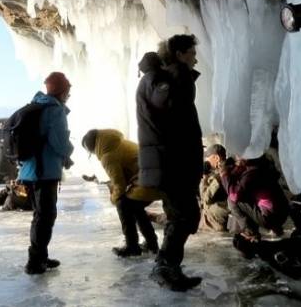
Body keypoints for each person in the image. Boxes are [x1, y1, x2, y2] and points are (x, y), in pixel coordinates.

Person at [136, 35, 204, 291]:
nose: (194, 59)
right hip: (170, 162)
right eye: (191, 53)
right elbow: (168, 105)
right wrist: (181, 76)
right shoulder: (164, 79)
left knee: (182, 215)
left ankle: (167, 266)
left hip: (169, 160)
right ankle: (165, 267)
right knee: (184, 216)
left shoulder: (162, 78)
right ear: (178, 54)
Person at [18, 71, 74, 275]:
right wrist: (69, 151)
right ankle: (34, 262)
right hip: (45, 172)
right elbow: (59, 142)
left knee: (40, 216)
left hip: (30, 171)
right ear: (62, 91)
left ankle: (40, 256)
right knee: (45, 217)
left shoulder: (38, 105)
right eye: (68, 90)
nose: (68, 94)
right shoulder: (54, 110)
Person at [81, 129, 159, 257]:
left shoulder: (107, 156)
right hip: (154, 178)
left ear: (92, 148)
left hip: (149, 182)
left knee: (122, 203)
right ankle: (151, 243)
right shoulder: (118, 143)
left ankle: (132, 245)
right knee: (135, 206)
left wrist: (113, 198)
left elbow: (120, 185)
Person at [221, 155, 289, 240]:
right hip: (282, 213)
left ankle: (250, 233)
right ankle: (276, 228)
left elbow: (234, 195)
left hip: (270, 217)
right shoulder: (264, 166)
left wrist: (224, 175)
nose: (237, 160)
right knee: (248, 196)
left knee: (231, 201)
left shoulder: (252, 172)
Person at [200, 145, 230, 232]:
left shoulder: (220, 176)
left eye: (208, 159)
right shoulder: (225, 169)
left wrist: (204, 177)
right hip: (217, 215)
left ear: (216, 158)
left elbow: (205, 199)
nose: (206, 162)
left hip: (215, 220)